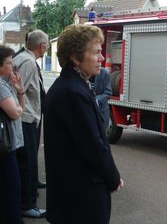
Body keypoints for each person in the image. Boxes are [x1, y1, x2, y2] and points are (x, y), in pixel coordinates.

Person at [44, 24, 123, 224]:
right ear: (75, 57)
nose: (102, 58)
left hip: (75, 194)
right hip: (80, 198)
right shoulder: (72, 92)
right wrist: (113, 177)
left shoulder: (73, 86)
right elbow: (93, 145)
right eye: (96, 52)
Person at [13, 30, 48, 218]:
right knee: (27, 161)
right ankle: (27, 203)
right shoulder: (27, 62)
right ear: (41, 45)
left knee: (28, 160)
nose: (47, 48)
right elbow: (18, 90)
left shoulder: (25, 58)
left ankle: (29, 191)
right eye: (47, 45)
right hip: (25, 118)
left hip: (27, 117)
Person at [0, 44, 25, 224]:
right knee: (11, 191)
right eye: (9, 63)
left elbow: (19, 110)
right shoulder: (0, 87)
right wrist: (19, 105)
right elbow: (15, 113)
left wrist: (20, 90)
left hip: (8, 146)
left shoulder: (4, 84)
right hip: (4, 148)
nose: (12, 66)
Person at [90, 67, 112, 131]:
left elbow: (108, 93)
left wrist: (96, 100)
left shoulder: (104, 73)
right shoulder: (80, 74)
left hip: (101, 113)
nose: (101, 58)